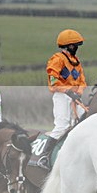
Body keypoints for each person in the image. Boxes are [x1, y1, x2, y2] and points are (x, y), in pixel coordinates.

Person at [38, 29, 87, 169]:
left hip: (74, 98)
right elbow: (53, 83)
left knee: (84, 121)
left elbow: (82, 81)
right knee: (62, 126)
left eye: (77, 45)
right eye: (75, 45)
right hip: (61, 96)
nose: (77, 48)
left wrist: (79, 91)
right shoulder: (57, 59)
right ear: (68, 46)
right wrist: (67, 91)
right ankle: (44, 156)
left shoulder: (76, 62)